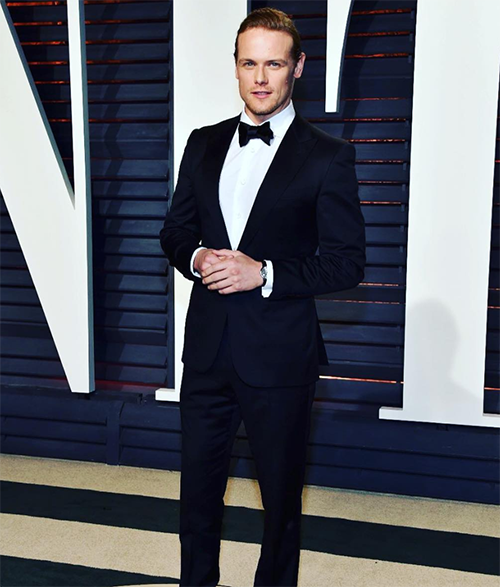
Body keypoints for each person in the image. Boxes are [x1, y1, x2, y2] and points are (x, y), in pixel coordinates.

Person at [159, 8, 365, 587]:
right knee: (197, 497)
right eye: (249, 63)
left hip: (280, 356)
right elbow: (175, 231)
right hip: (206, 352)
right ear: (235, 66)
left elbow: (346, 263)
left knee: (280, 505)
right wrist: (198, 258)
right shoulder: (202, 143)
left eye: (274, 64)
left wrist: (265, 273)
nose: (260, 77)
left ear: (297, 67)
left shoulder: (327, 155)